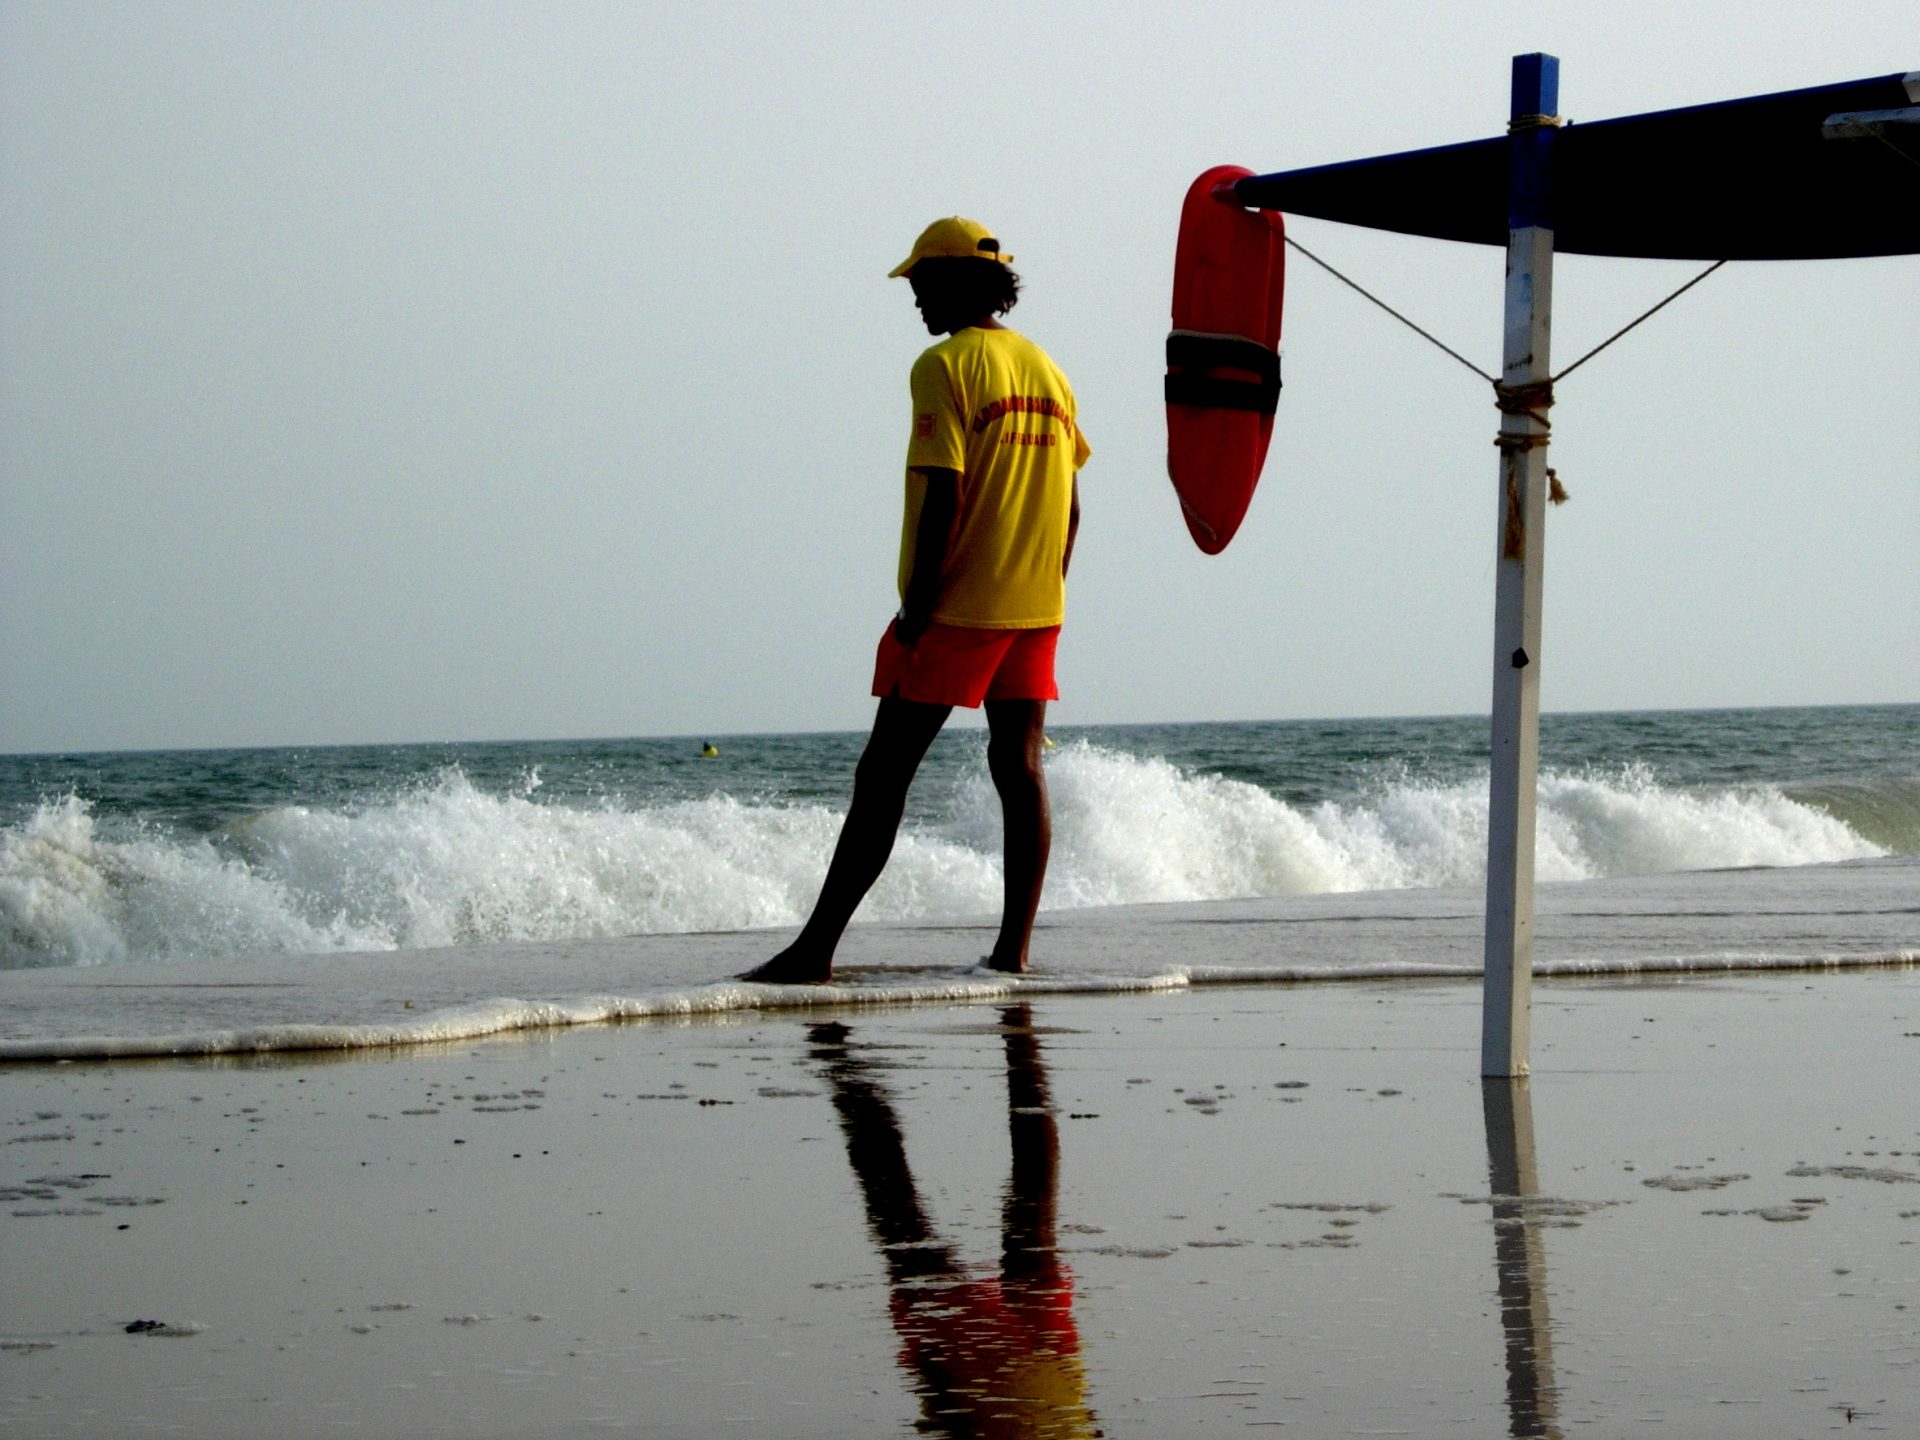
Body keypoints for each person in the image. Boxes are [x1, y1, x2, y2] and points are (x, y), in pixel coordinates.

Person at [741, 217, 1089, 984]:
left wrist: (917, 605)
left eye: (924, 285)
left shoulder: (942, 366)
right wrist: (1048, 584)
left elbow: (945, 491)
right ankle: (1014, 953)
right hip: (1037, 603)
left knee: (883, 774)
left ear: (956, 283)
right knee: (1020, 768)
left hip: (957, 603)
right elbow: (1070, 504)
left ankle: (814, 952)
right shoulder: (1048, 371)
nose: (917, 302)